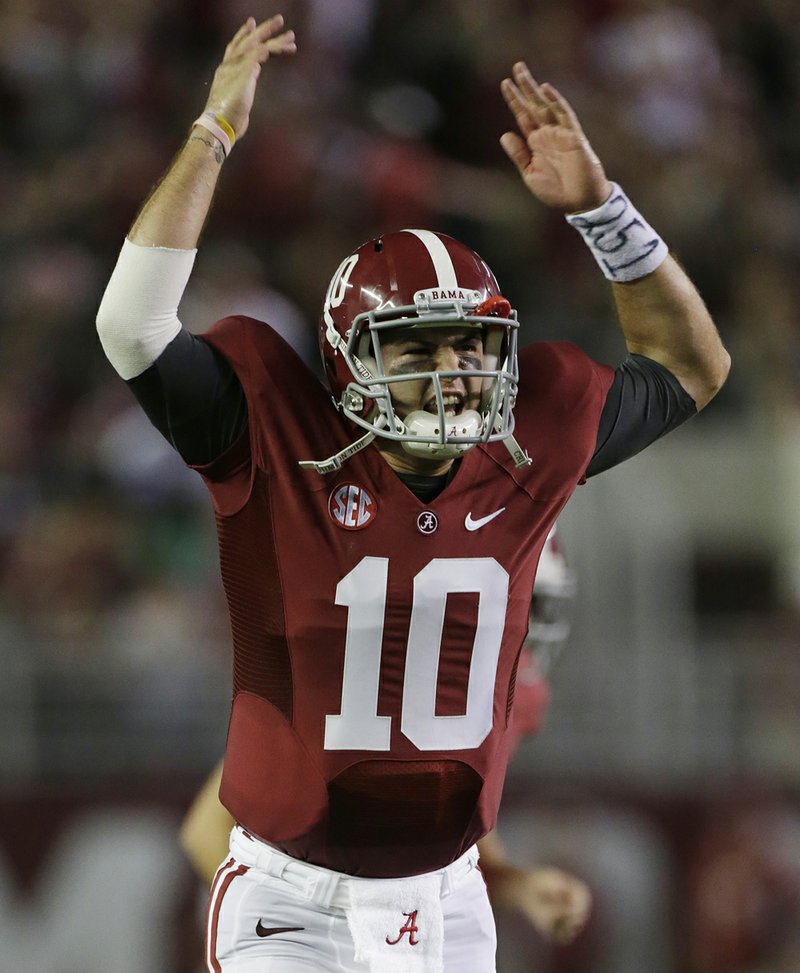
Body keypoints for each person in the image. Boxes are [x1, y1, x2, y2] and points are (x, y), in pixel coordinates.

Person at [95, 13, 730, 973]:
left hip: (447, 898)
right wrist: (213, 134)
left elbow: (692, 361)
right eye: (417, 349)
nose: (453, 373)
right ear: (352, 363)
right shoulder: (276, 436)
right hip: (288, 897)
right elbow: (132, 323)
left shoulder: (534, 441)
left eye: (472, 347)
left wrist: (602, 209)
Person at [178, 528, 591, 949]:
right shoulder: (376, 666)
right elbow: (208, 828)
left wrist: (518, 886)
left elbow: (446, 837)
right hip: (289, 924)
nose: (531, 629)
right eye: (527, 605)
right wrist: (309, 931)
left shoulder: (508, 694)